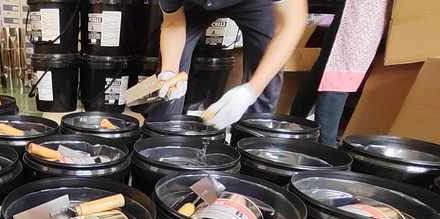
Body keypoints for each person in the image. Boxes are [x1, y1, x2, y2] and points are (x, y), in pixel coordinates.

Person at [149, 0, 308, 129]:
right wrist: (169, 73)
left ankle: (251, 145)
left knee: (266, 60)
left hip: (254, 3)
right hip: (194, 5)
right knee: (169, 85)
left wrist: (251, 91)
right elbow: (173, 23)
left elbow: (292, 23)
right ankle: (160, 137)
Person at [291, 0, 390, 146]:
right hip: (365, 9)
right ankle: (326, 147)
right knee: (340, 73)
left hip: (369, 9)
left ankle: (292, 128)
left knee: (328, 68)